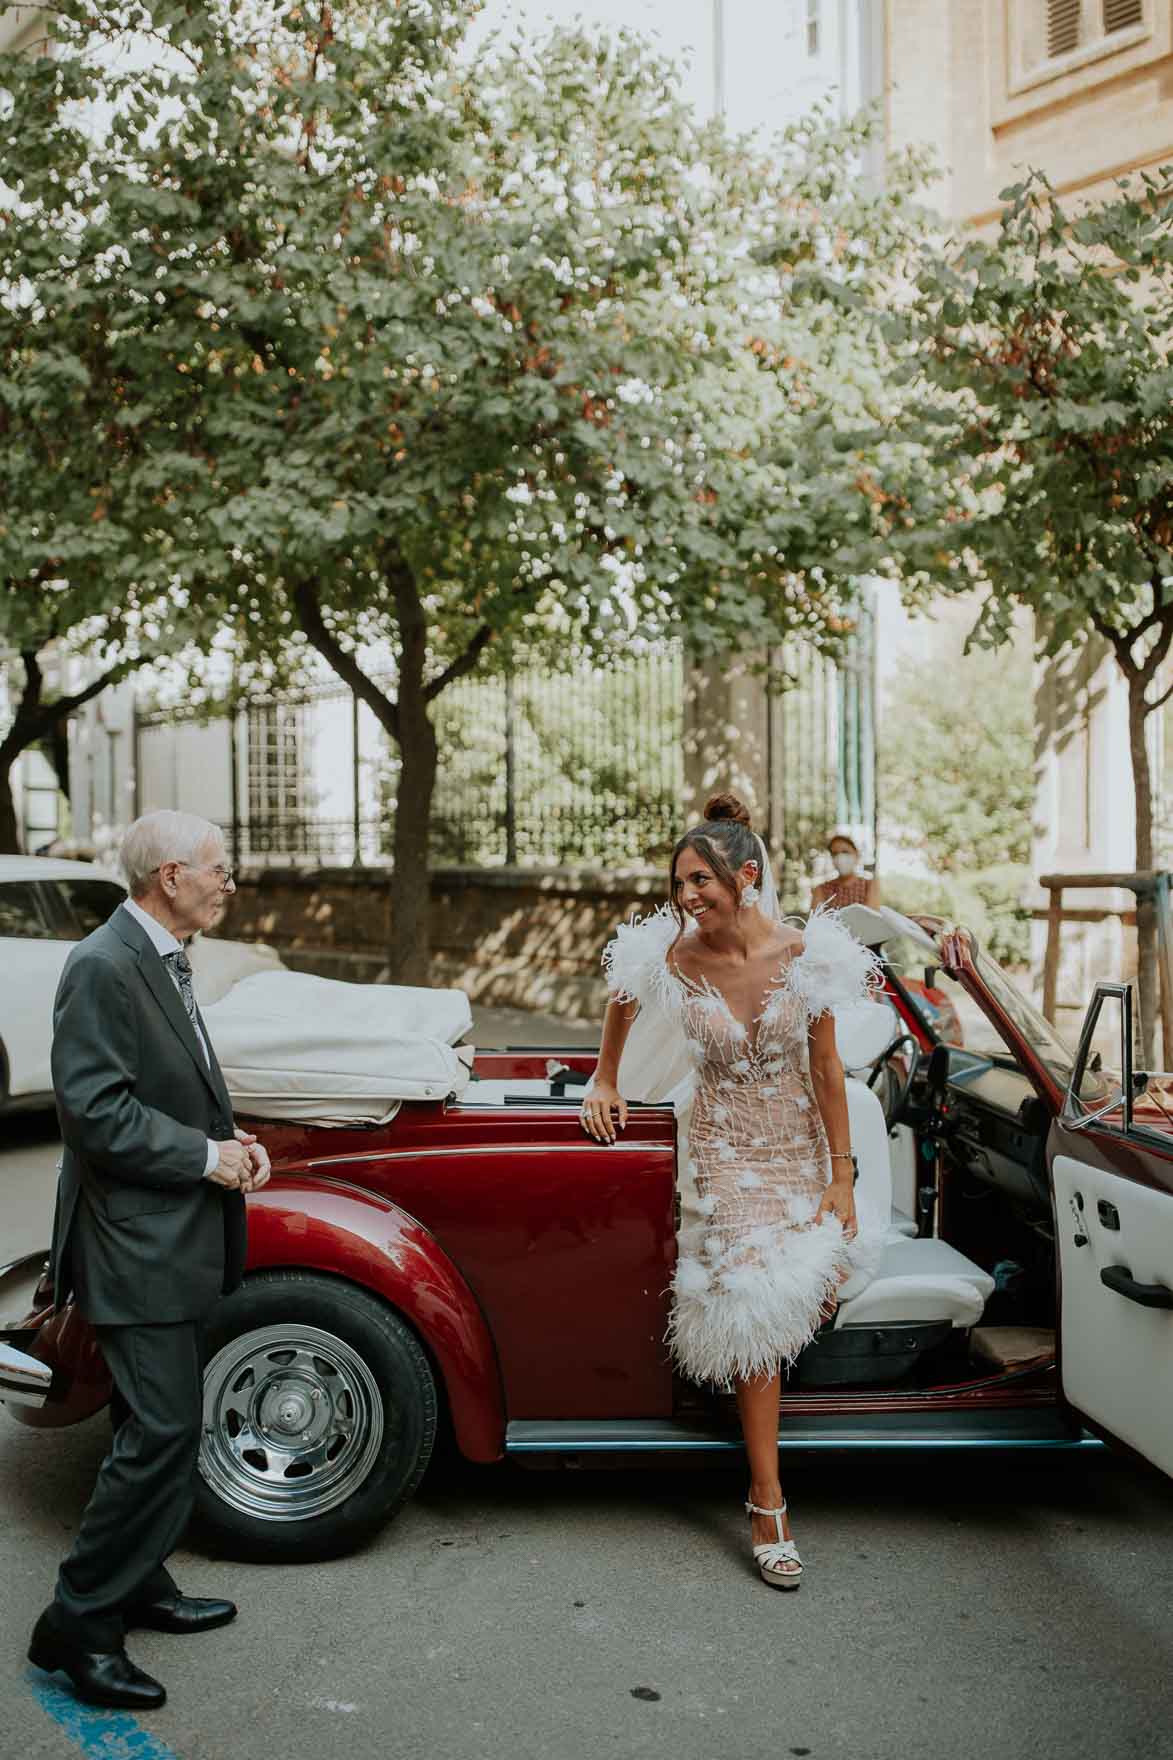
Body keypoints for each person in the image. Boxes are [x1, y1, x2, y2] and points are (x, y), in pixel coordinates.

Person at [580, 793, 883, 1589]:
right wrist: (604, 1077)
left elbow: (825, 1070)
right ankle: (766, 1499)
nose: (686, 897)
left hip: (796, 1144)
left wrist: (841, 1175)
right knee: (751, 1296)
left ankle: (748, 1408)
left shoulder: (804, 952)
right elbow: (620, 997)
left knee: (810, 1286)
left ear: (745, 878)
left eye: (699, 882)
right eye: (679, 883)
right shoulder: (670, 955)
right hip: (720, 1145)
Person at [27, 810, 271, 1711]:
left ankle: (139, 1582)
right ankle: (79, 1622)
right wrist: (208, 1158)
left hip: (169, 1234)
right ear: (170, 875)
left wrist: (230, 1139)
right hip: (132, 1244)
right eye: (217, 867)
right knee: (163, 1430)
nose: (228, 879)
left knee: (152, 1423)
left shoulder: (163, 951)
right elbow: (94, 1113)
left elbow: (166, 1087)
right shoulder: (100, 964)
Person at [810, 829, 879, 911]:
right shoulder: (821, 889)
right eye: (835, 853)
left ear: (856, 854)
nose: (840, 857)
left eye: (845, 852)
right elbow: (816, 920)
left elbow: (871, 918)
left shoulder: (869, 885)